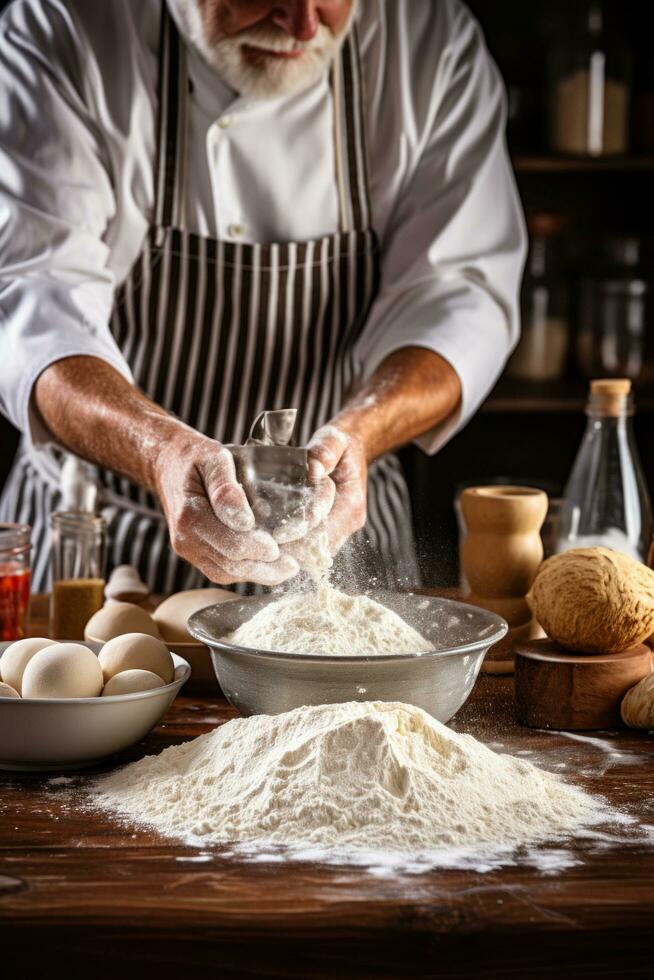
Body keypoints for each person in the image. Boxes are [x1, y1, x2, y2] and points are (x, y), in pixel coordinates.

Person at [0, 0, 525, 593]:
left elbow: (460, 295)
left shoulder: (429, 41)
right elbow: (34, 298)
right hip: (98, 540)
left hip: (331, 541)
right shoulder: (70, 25)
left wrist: (359, 433)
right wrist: (160, 452)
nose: (303, 23)